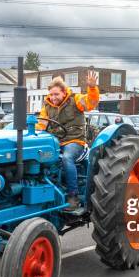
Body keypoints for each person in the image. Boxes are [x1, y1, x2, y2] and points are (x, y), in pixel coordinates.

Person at [36, 71, 99, 211]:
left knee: (67, 158)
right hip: (56, 142)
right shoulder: (47, 106)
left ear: (64, 92)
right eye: (51, 94)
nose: (53, 98)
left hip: (75, 141)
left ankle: (73, 196)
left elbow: (90, 103)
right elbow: (41, 125)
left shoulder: (75, 99)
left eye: (56, 94)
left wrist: (92, 88)